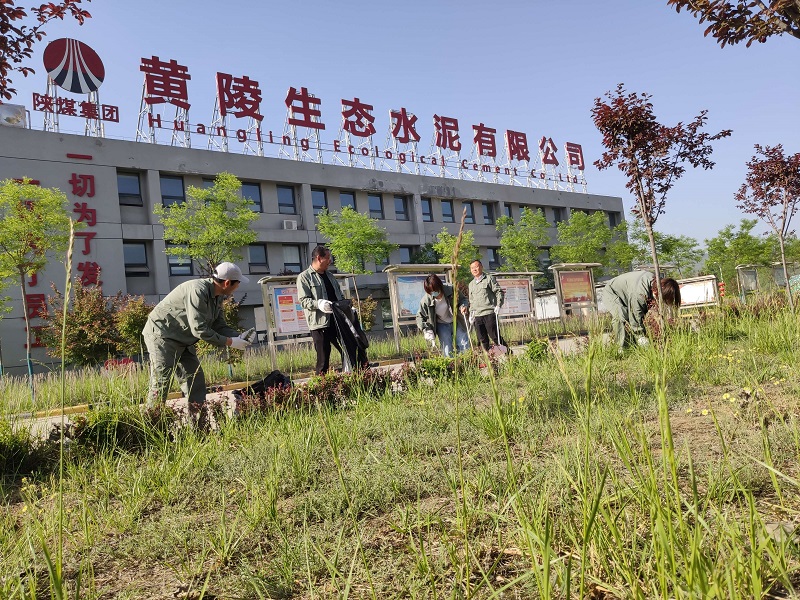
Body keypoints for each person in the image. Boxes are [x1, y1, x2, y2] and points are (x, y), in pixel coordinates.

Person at [142, 261, 253, 424]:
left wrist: (239, 337)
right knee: (161, 381)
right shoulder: (197, 290)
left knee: (195, 381)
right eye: (237, 284)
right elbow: (199, 329)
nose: (238, 287)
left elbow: (218, 325)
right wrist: (230, 342)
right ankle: (149, 429)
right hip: (162, 336)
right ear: (227, 283)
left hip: (183, 340)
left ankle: (199, 427)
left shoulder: (217, 297)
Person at [297, 245, 368, 374]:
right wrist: (318, 304)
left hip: (337, 320)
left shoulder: (330, 276)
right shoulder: (304, 277)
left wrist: (349, 308)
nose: (330, 261)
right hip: (320, 324)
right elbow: (303, 301)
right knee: (323, 359)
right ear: (319, 258)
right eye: (328, 258)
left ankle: (355, 377)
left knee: (349, 349)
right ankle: (322, 386)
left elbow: (339, 296)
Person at [601, 270, 681, 350]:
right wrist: (641, 336)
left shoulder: (660, 284)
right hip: (612, 291)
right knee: (620, 316)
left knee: (634, 317)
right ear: (656, 292)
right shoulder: (639, 294)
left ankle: (632, 345)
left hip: (628, 292)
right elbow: (635, 316)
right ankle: (621, 349)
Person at [416, 274, 470, 357]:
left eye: (436, 291)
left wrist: (463, 306)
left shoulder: (451, 289)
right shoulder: (426, 300)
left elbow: (463, 299)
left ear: (440, 286)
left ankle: (467, 362)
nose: (435, 294)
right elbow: (419, 317)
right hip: (441, 324)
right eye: (432, 292)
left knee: (463, 343)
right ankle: (451, 367)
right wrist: (426, 329)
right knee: (447, 348)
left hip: (457, 320)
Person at [464, 259, 506, 351]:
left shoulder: (489, 279)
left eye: (476, 267)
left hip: (489, 313)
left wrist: (498, 305)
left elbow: (499, 292)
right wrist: (471, 314)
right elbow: (471, 301)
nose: (474, 269)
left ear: (481, 267)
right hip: (477, 316)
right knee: (482, 340)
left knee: (495, 337)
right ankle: (489, 360)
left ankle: (509, 355)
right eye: (472, 268)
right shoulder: (471, 284)